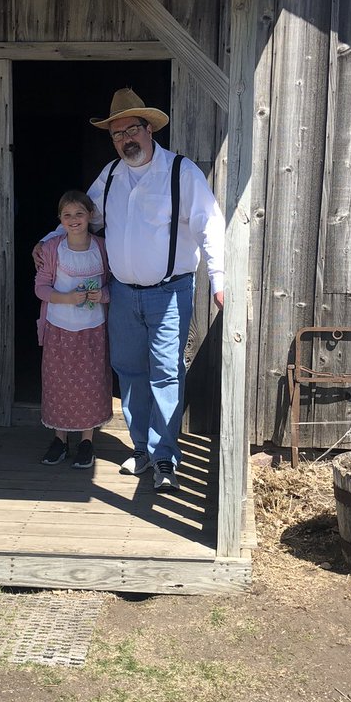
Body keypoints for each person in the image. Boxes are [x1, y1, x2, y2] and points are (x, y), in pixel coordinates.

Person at [34, 89, 225, 492]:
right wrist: (49, 240)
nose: (125, 140)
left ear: (149, 128)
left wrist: (221, 280)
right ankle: (141, 450)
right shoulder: (111, 175)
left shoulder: (180, 172)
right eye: (117, 134)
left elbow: (209, 225)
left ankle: (165, 458)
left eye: (132, 130)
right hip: (121, 293)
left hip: (170, 292)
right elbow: (83, 216)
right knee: (130, 372)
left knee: (166, 373)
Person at [35, 190, 112, 468]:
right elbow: (40, 287)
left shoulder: (102, 247)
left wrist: (101, 295)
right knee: (59, 382)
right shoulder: (53, 248)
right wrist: (66, 298)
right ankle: (59, 439)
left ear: (91, 215)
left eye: (79, 213)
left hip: (93, 328)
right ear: (60, 220)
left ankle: (87, 441)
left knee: (90, 382)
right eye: (67, 215)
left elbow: (115, 285)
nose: (74, 219)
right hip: (59, 327)